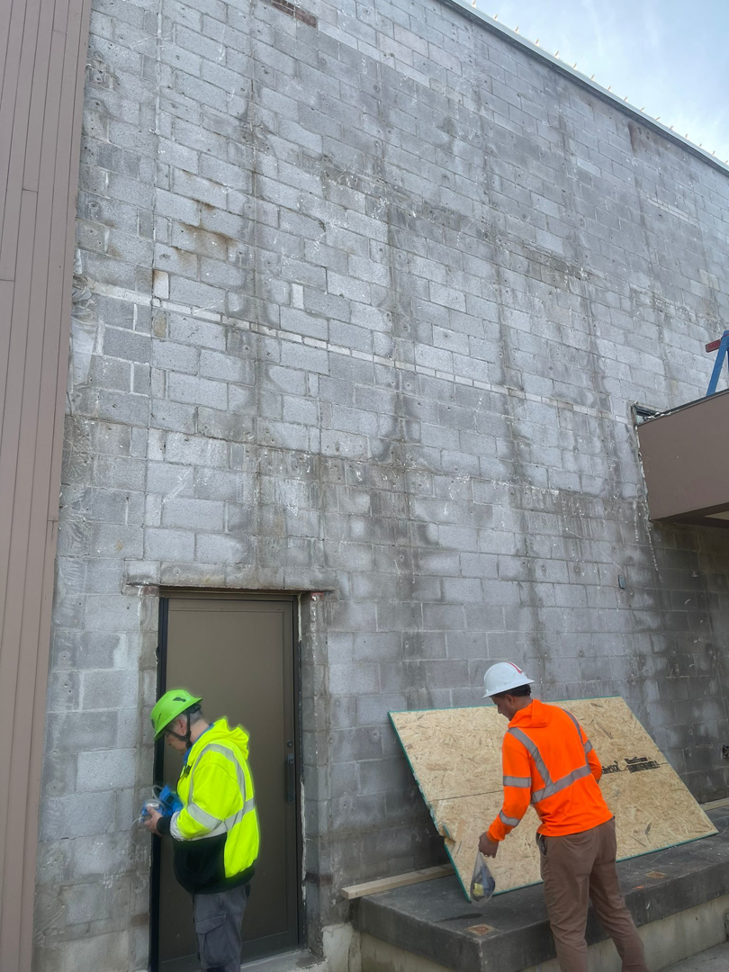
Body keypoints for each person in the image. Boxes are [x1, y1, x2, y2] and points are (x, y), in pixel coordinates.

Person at [478, 662, 649, 972]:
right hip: (602, 826)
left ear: (510, 699)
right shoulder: (564, 717)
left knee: (569, 929)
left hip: (567, 840)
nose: (498, 711)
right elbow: (594, 768)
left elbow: (515, 805)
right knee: (614, 909)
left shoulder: (516, 739)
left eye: (497, 703)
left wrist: (492, 837)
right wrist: (578, 800)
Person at [144, 689, 260, 972]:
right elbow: (208, 808)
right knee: (216, 957)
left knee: (219, 964)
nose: (169, 744)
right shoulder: (206, 752)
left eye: (167, 737)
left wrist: (162, 823)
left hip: (219, 881)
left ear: (181, 725)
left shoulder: (213, 756)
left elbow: (202, 819)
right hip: (215, 877)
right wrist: (174, 813)